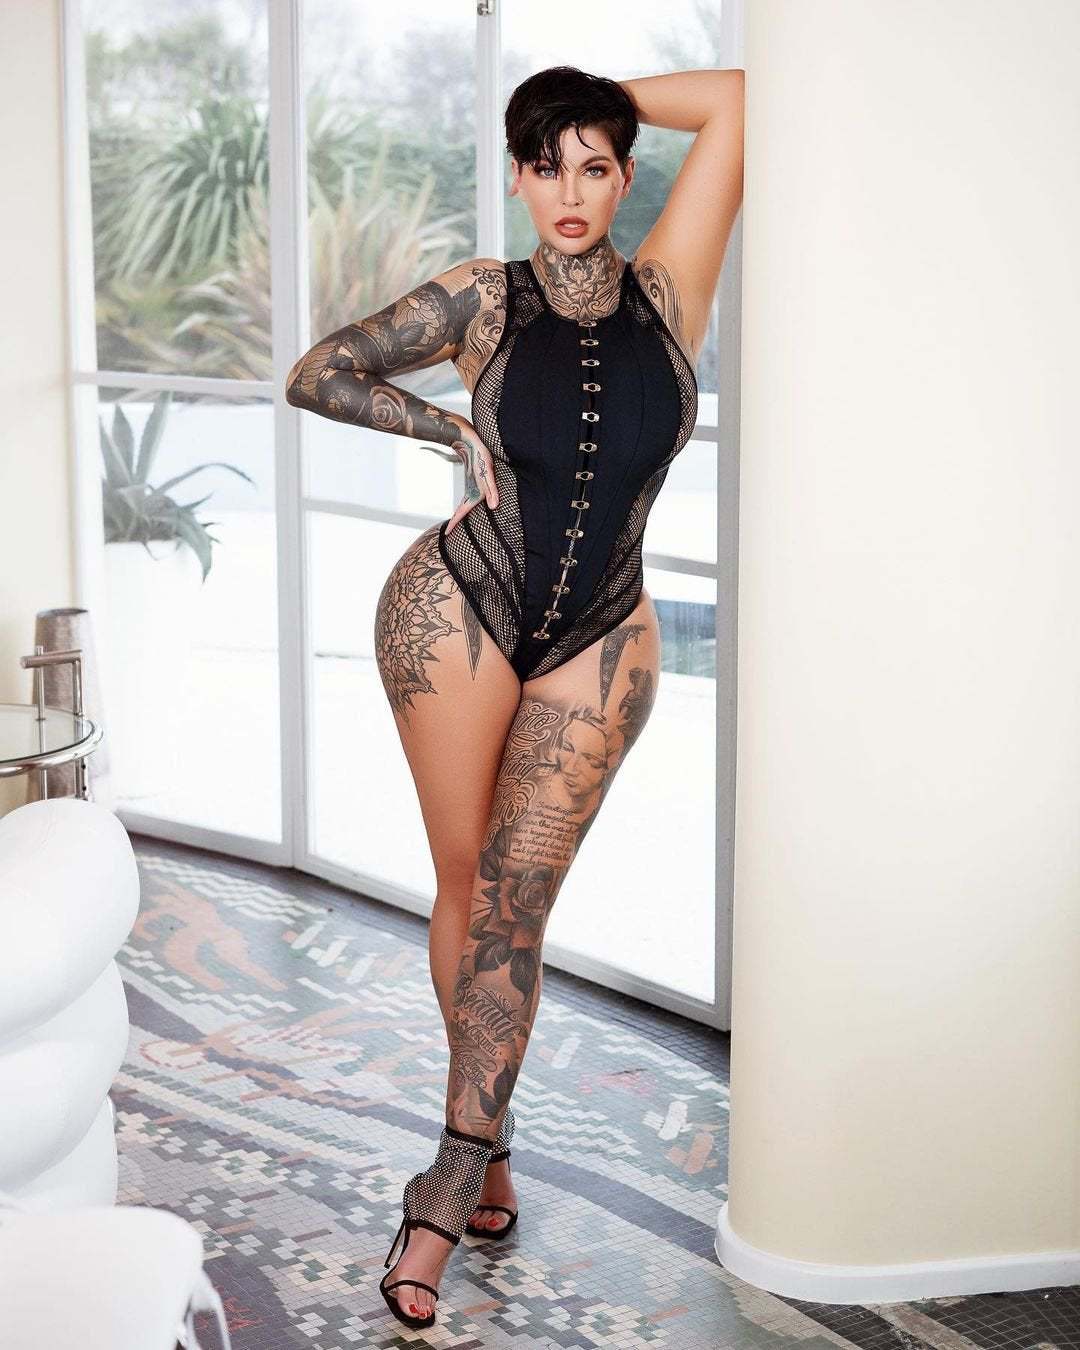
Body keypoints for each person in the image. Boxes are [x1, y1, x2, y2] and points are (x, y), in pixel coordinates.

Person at [286, 62, 744, 1331]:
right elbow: (319, 371)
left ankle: (440, 1185)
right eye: (545, 165)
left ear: (627, 174)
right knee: (466, 887)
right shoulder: (483, 297)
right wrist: (446, 431)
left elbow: (740, 98)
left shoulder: (670, 291)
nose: (570, 191)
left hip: (601, 636)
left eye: (595, 163)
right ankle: (482, 1151)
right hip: (458, 606)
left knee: (513, 907)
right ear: (517, 177)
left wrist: (591, 97)